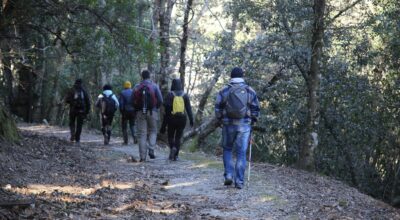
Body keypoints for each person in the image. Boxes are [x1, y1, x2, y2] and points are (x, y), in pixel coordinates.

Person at [215, 67, 260, 189]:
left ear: (231, 76)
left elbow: (218, 107)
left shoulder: (224, 90)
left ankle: (228, 175)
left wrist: (220, 120)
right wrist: (253, 121)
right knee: (241, 153)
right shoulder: (250, 90)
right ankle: (239, 181)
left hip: (228, 124)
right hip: (244, 126)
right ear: (242, 76)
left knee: (227, 149)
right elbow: (255, 109)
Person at [160, 78, 194, 161]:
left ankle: (173, 149)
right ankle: (176, 156)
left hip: (172, 118)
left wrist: (163, 126)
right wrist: (191, 120)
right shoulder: (185, 95)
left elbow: (167, 112)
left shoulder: (170, 95)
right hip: (182, 119)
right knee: (178, 138)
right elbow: (189, 108)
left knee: (171, 136)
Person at [133, 70, 163, 162]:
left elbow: (131, 100)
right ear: (149, 76)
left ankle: (142, 157)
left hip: (140, 112)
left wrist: (136, 110)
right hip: (152, 112)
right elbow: (161, 100)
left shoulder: (137, 87)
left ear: (141, 77)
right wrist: (155, 108)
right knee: (153, 130)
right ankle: (151, 148)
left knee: (142, 134)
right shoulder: (154, 86)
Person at [65, 79, 91, 144]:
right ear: (81, 83)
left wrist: (72, 102)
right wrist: (87, 112)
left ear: (75, 83)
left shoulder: (71, 90)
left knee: (72, 122)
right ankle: (77, 139)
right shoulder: (84, 91)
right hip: (82, 111)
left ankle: (72, 134)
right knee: (79, 125)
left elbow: (67, 100)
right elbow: (88, 102)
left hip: (73, 110)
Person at [119, 81, 137, 145]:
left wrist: (121, 111)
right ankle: (135, 138)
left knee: (124, 126)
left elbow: (121, 104)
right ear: (130, 86)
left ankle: (125, 140)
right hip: (133, 111)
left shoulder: (122, 93)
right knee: (132, 125)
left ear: (125, 86)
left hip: (125, 112)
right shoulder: (134, 92)